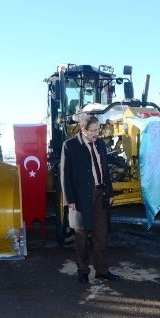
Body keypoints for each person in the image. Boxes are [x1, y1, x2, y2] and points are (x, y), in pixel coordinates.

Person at [60, 114, 119, 284]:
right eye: (93, 130)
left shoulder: (100, 144)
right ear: (83, 129)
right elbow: (65, 175)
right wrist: (69, 199)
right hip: (80, 198)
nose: (96, 133)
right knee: (81, 238)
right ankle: (83, 272)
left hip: (101, 195)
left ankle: (102, 271)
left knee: (101, 236)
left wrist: (110, 193)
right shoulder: (69, 146)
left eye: (98, 129)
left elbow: (105, 170)